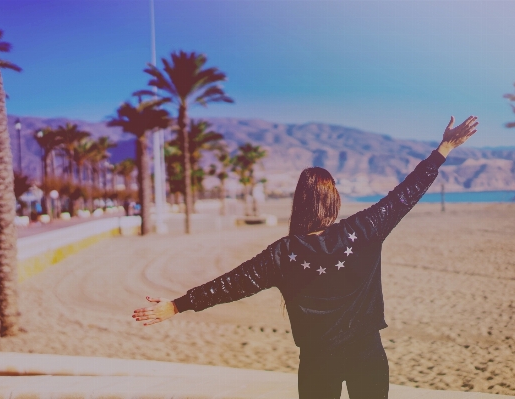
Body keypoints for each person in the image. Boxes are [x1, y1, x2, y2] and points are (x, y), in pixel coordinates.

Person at [133, 115, 478, 399]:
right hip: (366, 354)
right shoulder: (364, 229)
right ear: (333, 200)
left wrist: (177, 305)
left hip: (317, 362)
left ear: (299, 202)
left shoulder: (283, 254)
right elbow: (406, 193)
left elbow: (230, 285)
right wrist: (444, 148)